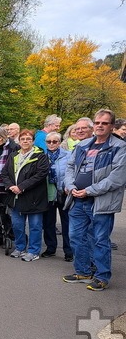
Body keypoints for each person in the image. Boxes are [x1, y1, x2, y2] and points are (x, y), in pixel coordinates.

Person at [62, 109, 126, 291]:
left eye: (104, 123)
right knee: (75, 237)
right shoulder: (83, 145)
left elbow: (117, 178)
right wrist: (70, 185)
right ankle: (82, 271)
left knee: (99, 240)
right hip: (77, 200)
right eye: (97, 122)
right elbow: (69, 167)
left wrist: (89, 190)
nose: (100, 126)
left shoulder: (119, 147)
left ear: (112, 126)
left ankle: (102, 276)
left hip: (100, 202)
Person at [2, 129, 50, 262]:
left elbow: (40, 174)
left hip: (34, 197)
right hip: (16, 196)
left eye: (28, 139)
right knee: (17, 225)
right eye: (23, 139)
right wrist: (11, 186)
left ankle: (34, 251)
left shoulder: (40, 155)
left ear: (33, 141)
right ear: (19, 141)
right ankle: (20, 247)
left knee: (35, 226)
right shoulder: (13, 155)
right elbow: (4, 173)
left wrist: (22, 187)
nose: (25, 141)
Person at [41, 131, 73, 261]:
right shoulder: (41, 156)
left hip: (63, 192)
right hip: (48, 194)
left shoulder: (68, 155)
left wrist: (68, 186)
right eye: (49, 142)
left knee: (67, 223)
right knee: (48, 222)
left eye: (55, 141)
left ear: (59, 143)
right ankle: (50, 248)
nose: (52, 144)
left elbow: (72, 173)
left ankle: (69, 251)